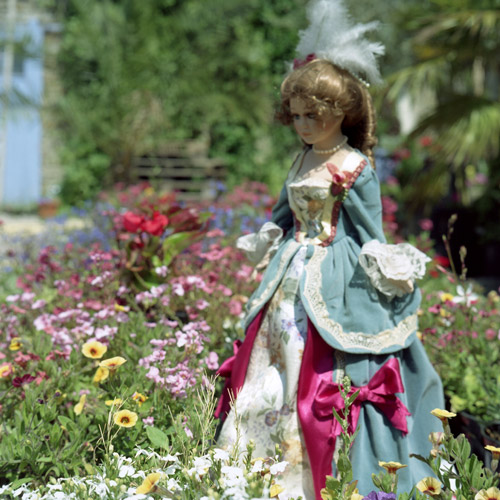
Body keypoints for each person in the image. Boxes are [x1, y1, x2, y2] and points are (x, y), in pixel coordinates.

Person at [215, 3, 444, 498]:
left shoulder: (355, 167)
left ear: (340, 112)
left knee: (320, 361)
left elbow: (370, 231)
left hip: (335, 273)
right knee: (274, 354)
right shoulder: (302, 158)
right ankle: (260, 461)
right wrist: (267, 238)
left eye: (312, 116)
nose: (302, 124)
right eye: (296, 116)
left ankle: (315, 464)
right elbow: (282, 214)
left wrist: (385, 272)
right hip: (288, 273)